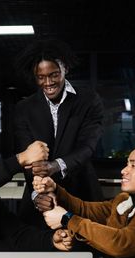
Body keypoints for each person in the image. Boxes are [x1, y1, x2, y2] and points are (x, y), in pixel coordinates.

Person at [14, 38, 104, 228]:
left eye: (54, 74)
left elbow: (87, 148)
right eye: (41, 77)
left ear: (65, 69)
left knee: (83, 255)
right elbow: (28, 158)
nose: (48, 83)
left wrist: (55, 166)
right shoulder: (24, 108)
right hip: (39, 198)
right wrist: (38, 193)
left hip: (81, 192)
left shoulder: (88, 100)